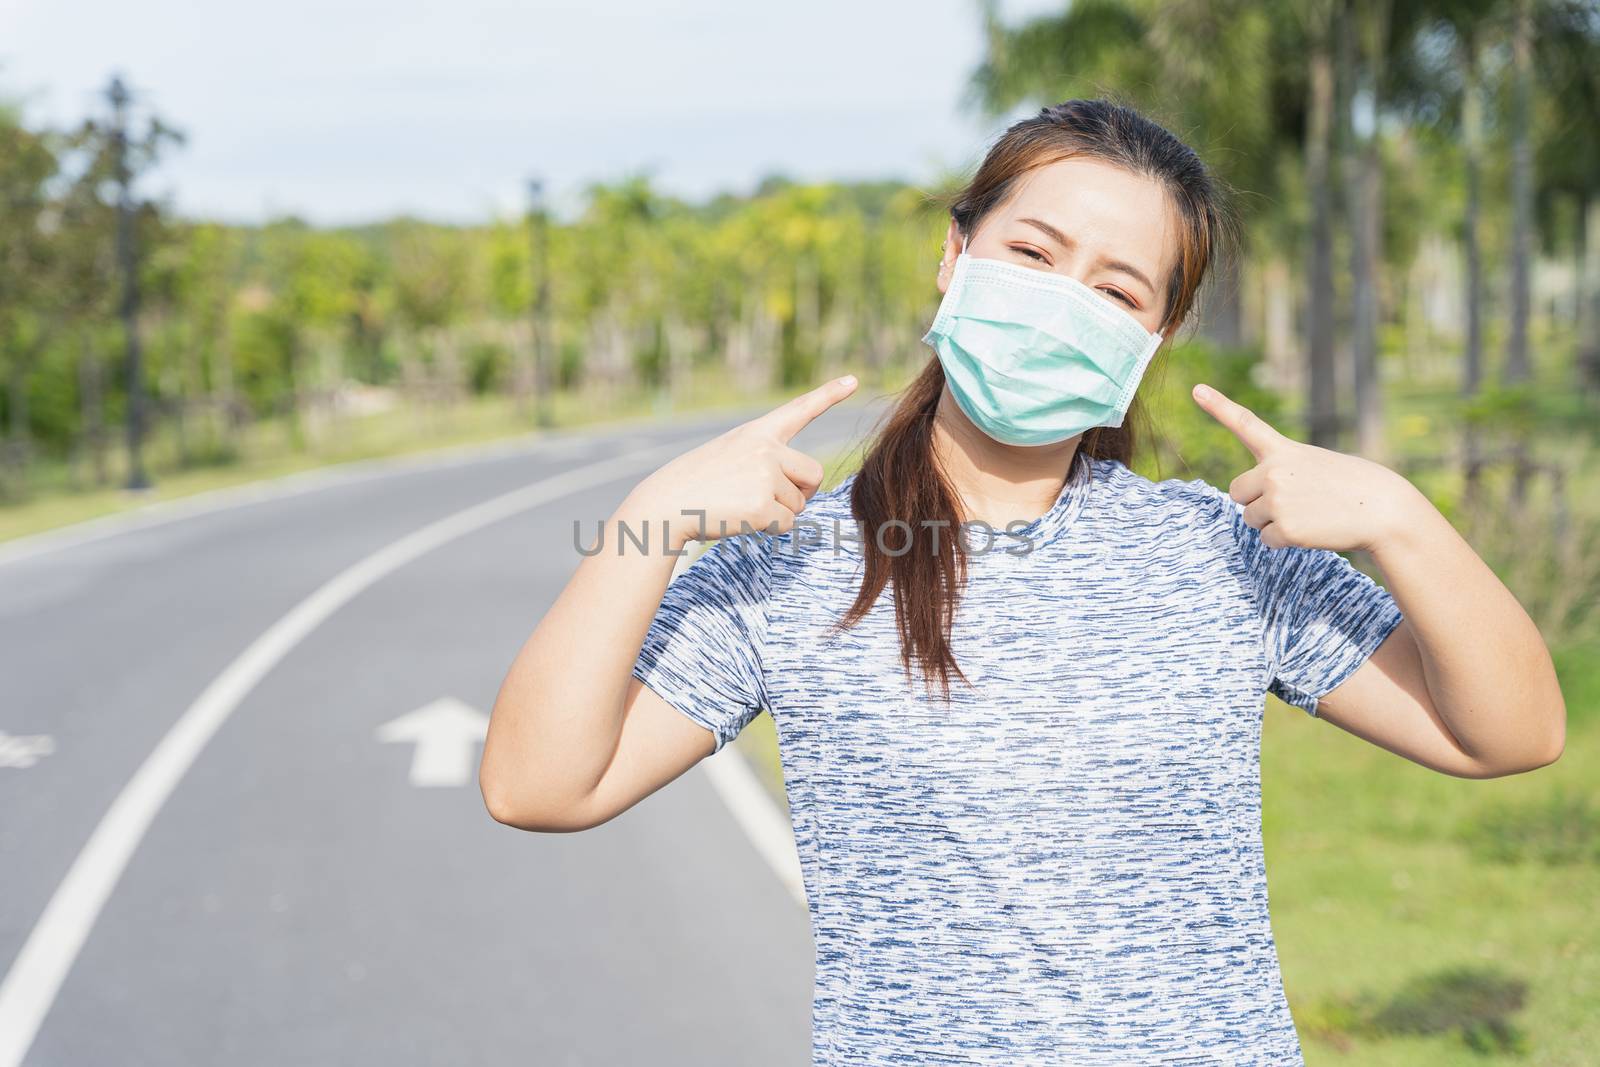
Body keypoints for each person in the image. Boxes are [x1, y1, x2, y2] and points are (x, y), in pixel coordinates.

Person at [479, 99, 1566, 1065]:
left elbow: (1506, 732)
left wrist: (1401, 521)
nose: (1060, 302)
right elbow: (538, 784)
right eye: (1033, 253)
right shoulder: (791, 565)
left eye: (1115, 286)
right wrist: (650, 520)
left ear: (1155, 334)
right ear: (955, 253)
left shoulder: (1219, 552)